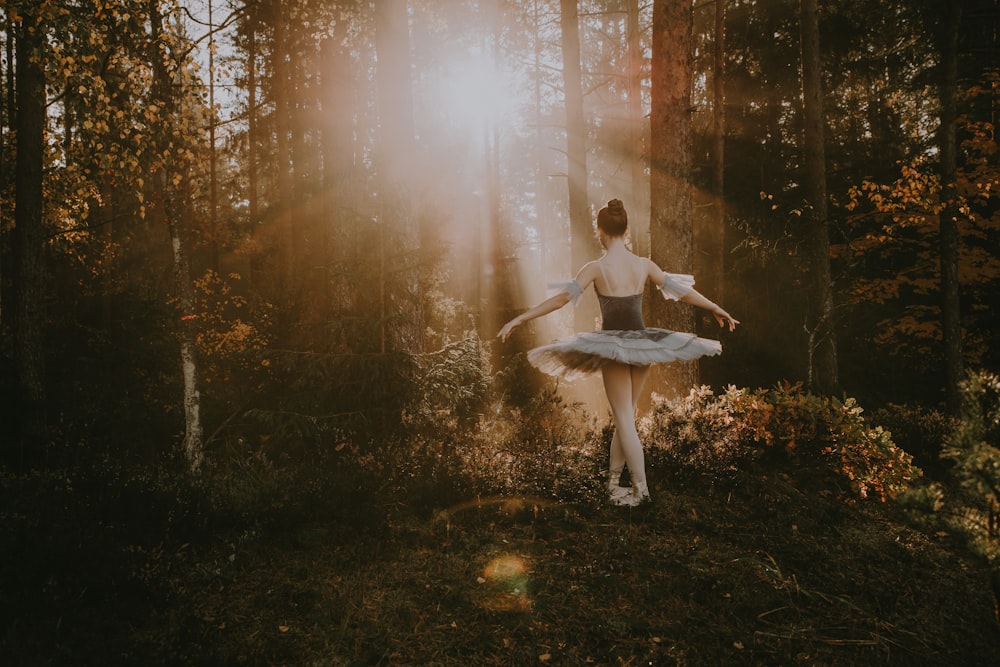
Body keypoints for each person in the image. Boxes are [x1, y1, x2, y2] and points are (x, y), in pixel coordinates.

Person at [497, 199, 739, 507]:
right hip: (644, 344)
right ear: (626, 231)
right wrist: (715, 307)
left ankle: (642, 493)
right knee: (626, 416)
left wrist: (521, 317)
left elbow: (559, 300)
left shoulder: (596, 268)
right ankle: (613, 486)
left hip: (613, 346)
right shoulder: (644, 265)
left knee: (624, 418)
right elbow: (682, 292)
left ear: (600, 231)